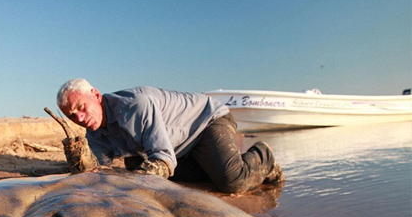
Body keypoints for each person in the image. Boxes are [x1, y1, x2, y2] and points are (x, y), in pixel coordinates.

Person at [56, 78, 283, 193]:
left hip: (207, 122)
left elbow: (163, 158)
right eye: (72, 115)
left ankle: (263, 155)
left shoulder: (135, 106)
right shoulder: (94, 132)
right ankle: (211, 164)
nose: (79, 117)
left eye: (81, 107)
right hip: (179, 145)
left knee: (233, 181)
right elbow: (98, 171)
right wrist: (80, 161)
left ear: (95, 95)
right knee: (134, 165)